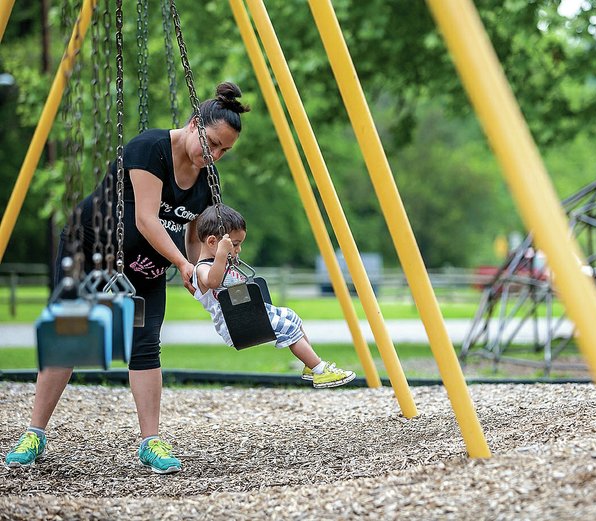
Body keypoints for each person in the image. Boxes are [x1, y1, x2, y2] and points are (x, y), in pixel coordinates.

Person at [4, 81, 249, 474]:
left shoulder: (207, 180)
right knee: (71, 334)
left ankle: (150, 442)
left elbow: (191, 236)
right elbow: (145, 219)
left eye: (224, 151)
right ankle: (35, 432)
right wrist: (184, 265)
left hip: (145, 268)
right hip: (90, 251)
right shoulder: (148, 148)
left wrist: (201, 269)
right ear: (194, 124)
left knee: (145, 344)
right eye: (213, 143)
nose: (215, 154)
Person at [192, 204, 355, 389]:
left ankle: (310, 365)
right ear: (212, 242)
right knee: (288, 329)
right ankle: (320, 370)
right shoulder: (202, 269)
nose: (239, 250)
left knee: (291, 316)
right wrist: (222, 254)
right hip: (236, 323)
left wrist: (225, 256)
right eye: (235, 245)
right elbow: (213, 282)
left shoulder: (222, 264)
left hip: (252, 313)